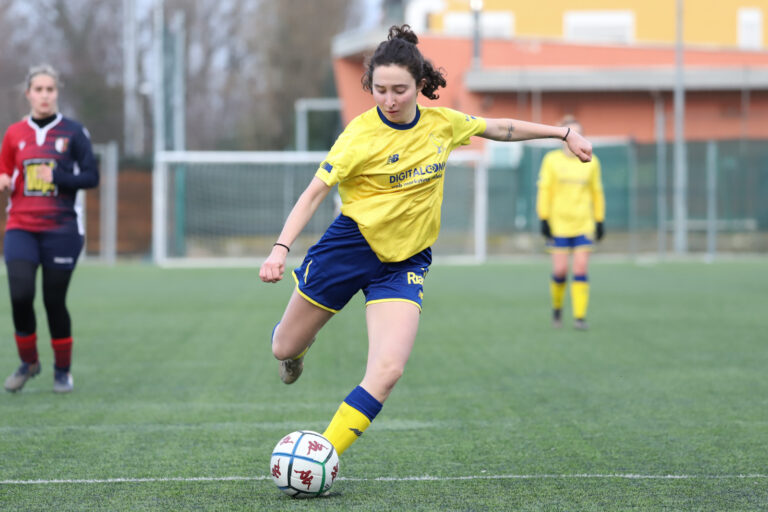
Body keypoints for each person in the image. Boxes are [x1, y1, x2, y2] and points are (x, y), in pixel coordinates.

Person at [259, 25, 592, 458]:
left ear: (420, 85)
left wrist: (563, 134)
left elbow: (501, 128)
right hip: (349, 247)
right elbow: (313, 194)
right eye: (379, 89)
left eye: (400, 89)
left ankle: (324, 454)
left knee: (388, 369)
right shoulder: (358, 136)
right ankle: (296, 350)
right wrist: (280, 249)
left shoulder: (442, 124)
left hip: (405, 263)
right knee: (283, 346)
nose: (389, 99)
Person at [1, 64, 99, 393]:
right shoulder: (14, 133)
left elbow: (91, 177)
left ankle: (62, 371)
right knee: (20, 294)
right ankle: (29, 362)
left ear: (57, 93)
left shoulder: (73, 132)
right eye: (38, 89)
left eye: (50, 89)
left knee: (53, 301)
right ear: (28, 94)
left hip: (62, 231)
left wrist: (57, 177)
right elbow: (5, 169)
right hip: (20, 227)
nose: (44, 95)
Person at [536, 115, 605, 330]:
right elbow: (545, 190)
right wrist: (544, 217)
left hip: (583, 223)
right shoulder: (551, 161)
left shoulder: (592, 161)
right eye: (570, 132)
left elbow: (596, 191)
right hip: (559, 224)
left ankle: (579, 317)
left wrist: (600, 219)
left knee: (581, 268)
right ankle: (557, 309)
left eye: (578, 132)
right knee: (560, 271)